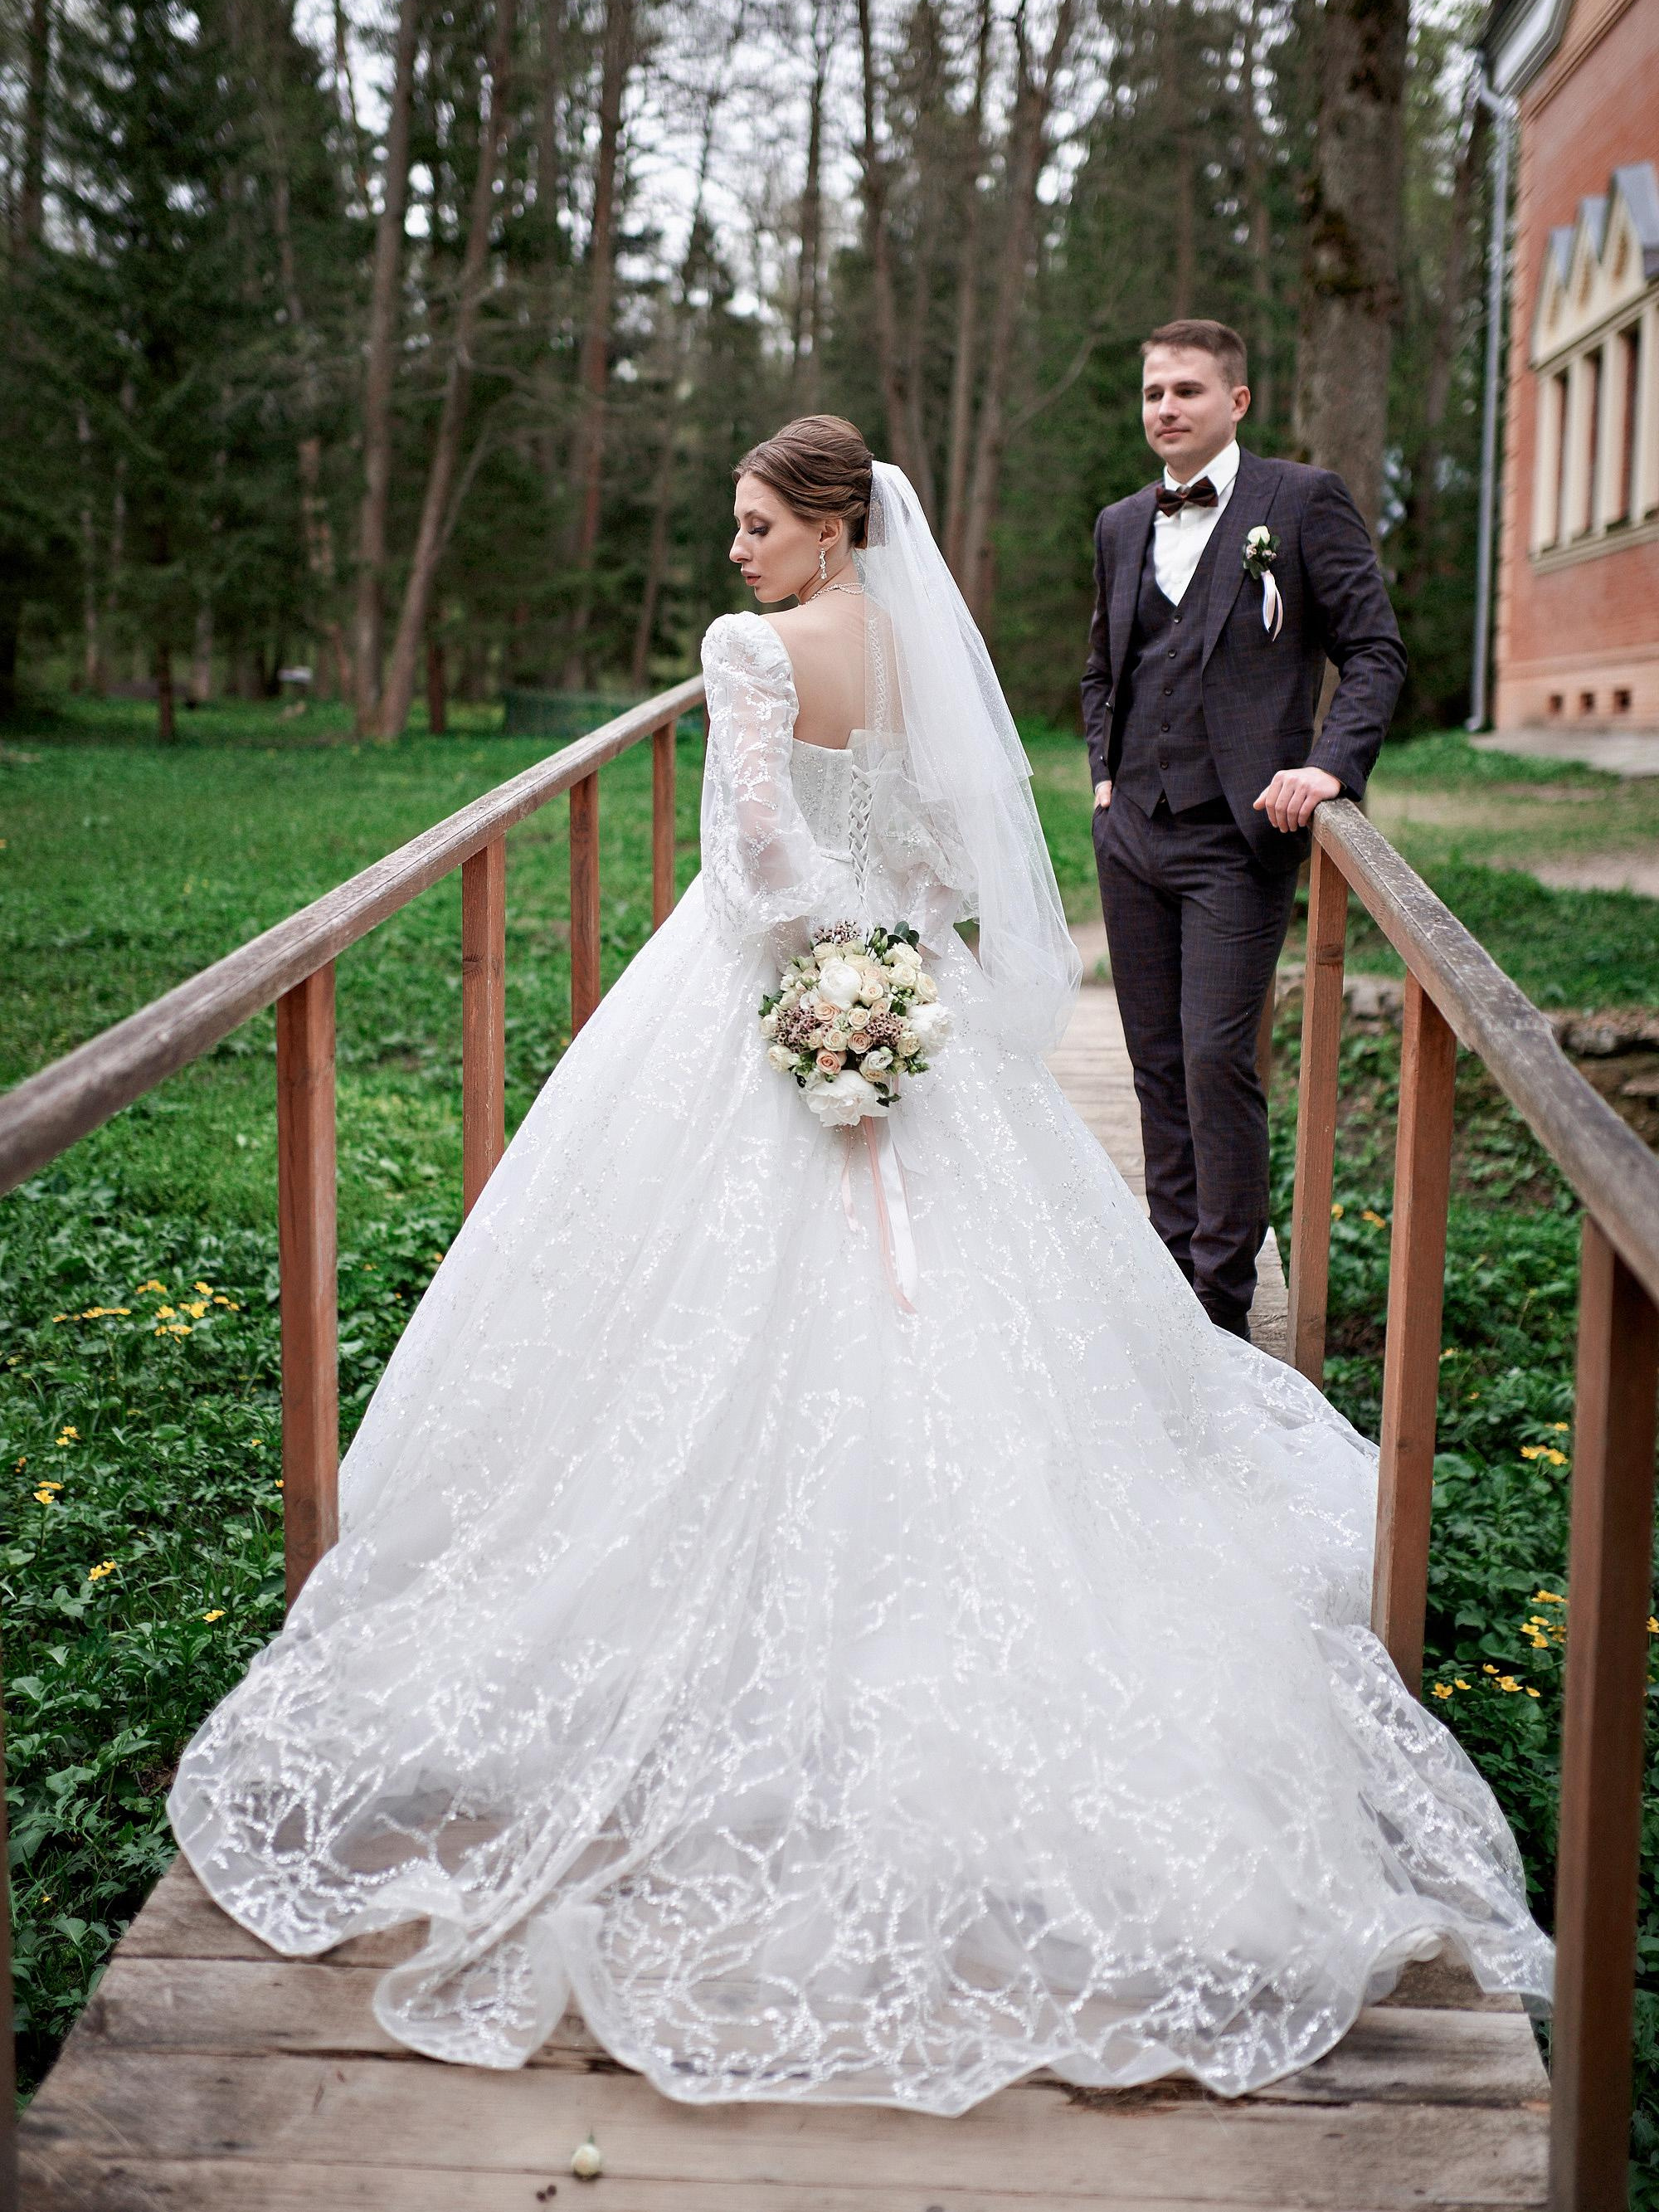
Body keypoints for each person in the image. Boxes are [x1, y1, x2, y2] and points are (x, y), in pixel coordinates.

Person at [169, 415, 1545, 2114]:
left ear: (827, 529)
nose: (733, 550)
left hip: (759, 1001)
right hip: (911, 1003)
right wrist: (896, 974)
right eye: (734, 526)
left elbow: (753, 858)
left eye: (755, 522)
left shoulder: (750, 651)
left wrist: (822, 979)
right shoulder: (911, 639)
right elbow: (952, 854)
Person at [1082, 321, 1407, 1337]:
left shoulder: (1298, 503)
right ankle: (1168, 1271)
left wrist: (1326, 765)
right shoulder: (1119, 523)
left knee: (1215, 1058)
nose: (1164, 408)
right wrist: (1102, 778)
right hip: (1131, 828)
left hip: (1237, 835)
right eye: (1150, 393)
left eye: (1185, 390)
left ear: (1237, 401)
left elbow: (1373, 654)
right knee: (1152, 1063)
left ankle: (1221, 1302)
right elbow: (1105, 667)